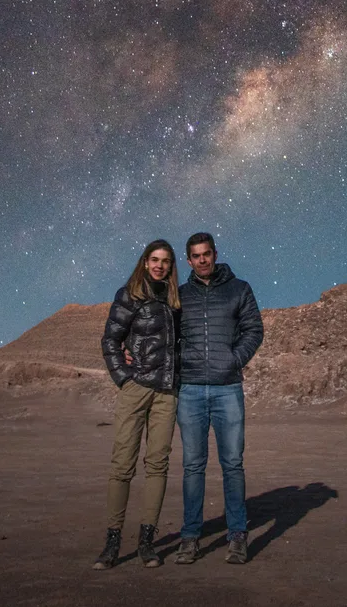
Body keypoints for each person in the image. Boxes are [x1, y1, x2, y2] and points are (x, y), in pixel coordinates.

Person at [172, 232, 264, 565]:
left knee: (232, 464)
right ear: (189, 260)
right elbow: (166, 337)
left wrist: (234, 359)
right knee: (192, 466)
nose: (202, 260)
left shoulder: (240, 289)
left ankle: (238, 535)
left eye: (206, 254)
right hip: (191, 391)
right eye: (195, 256)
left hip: (228, 389)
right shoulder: (180, 296)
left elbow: (254, 329)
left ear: (215, 254)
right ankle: (190, 537)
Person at [93, 239, 181, 570]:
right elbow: (110, 340)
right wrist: (124, 378)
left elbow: (178, 346)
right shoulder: (130, 294)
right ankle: (113, 541)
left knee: (158, 464)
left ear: (172, 266)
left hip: (166, 394)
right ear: (145, 262)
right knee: (122, 465)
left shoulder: (175, 301)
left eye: (166, 261)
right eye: (154, 260)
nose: (159, 265)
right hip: (136, 389)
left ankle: (147, 542)